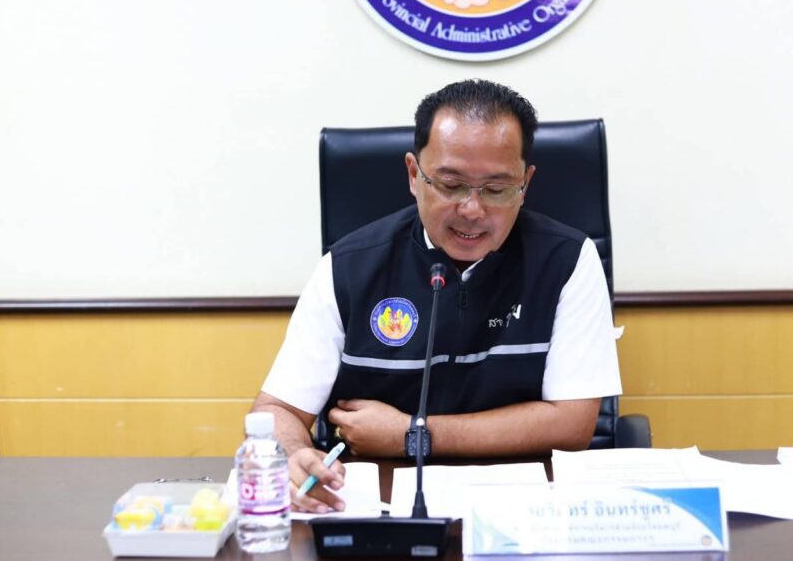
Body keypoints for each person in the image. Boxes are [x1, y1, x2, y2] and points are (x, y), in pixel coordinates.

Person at [252, 79, 622, 513]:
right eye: (451, 185)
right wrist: (292, 455)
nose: (472, 209)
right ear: (414, 175)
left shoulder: (567, 260)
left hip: (526, 510)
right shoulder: (349, 266)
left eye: (497, 189)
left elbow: (572, 424)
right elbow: (277, 411)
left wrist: (413, 434)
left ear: (526, 183)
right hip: (378, 511)